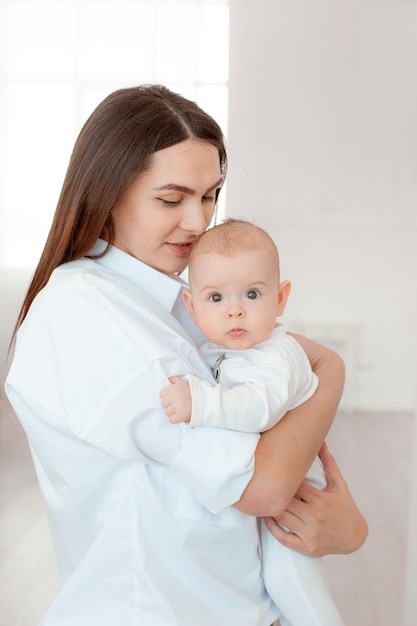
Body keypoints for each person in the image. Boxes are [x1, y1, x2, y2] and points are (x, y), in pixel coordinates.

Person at [5, 85, 367, 626]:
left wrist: (344, 525)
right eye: (171, 200)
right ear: (107, 193)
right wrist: (333, 372)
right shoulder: (83, 312)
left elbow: (294, 369)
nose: (199, 222)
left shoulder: (180, 300)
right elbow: (261, 485)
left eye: (210, 195)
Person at [160, 218, 345, 626]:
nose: (235, 309)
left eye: (252, 293)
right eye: (215, 298)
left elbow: (258, 409)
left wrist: (200, 403)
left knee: (292, 584)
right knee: (264, 587)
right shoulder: (220, 349)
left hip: (295, 490)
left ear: (280, 299)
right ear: (192, 307)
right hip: (264, 485)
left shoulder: (276, 356)